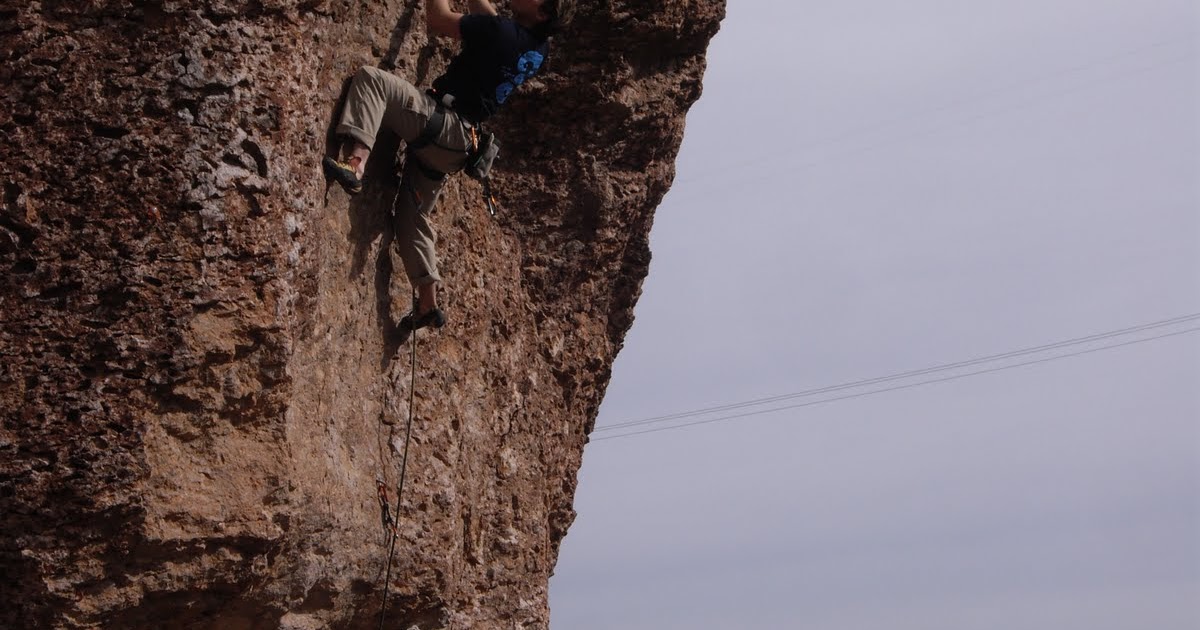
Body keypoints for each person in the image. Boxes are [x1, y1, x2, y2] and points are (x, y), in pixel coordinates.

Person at [323, 0, 569, 331]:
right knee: (412, 215)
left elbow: (438, 19)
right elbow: (493, 25)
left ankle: (356, 164)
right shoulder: (538, 50)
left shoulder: (503, 33)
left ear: (541, 13)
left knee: (372, 81)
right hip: (458, 146)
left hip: (440, 123)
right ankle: (427, 304)